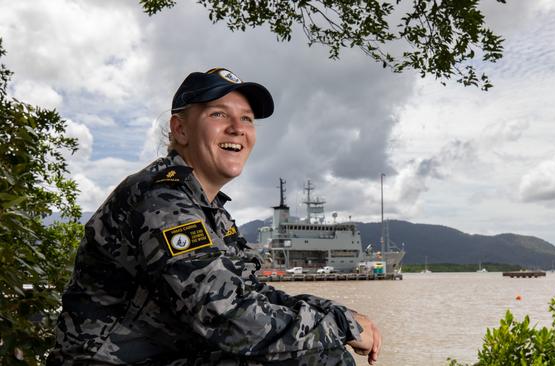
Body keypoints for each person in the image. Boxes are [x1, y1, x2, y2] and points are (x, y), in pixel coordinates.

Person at [48, 67, 381, 365]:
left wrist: (336, 312)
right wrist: (344, 326)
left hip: (165, 356)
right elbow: (230, 318)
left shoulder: (209, 210)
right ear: (180, 130)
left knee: (318, 351)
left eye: (247, 118)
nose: (237, 129)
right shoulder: (162, 199)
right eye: (219, 115)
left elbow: (251, 294)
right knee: (316, 358)